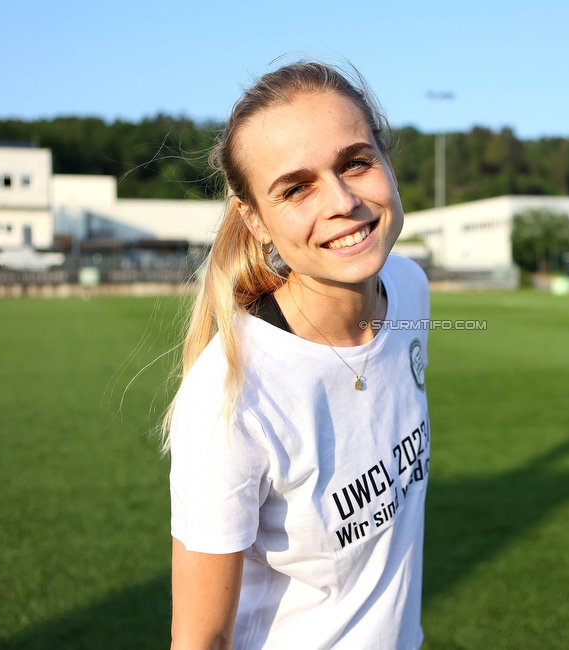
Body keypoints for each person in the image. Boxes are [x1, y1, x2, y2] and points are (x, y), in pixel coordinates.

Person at [166, 61, 431, 649]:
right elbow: (199, 641)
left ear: (386, 160)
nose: (341, 201)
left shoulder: (410, 288)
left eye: (355, 162)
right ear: (255, 219)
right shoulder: (231, 397)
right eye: (296, 188)